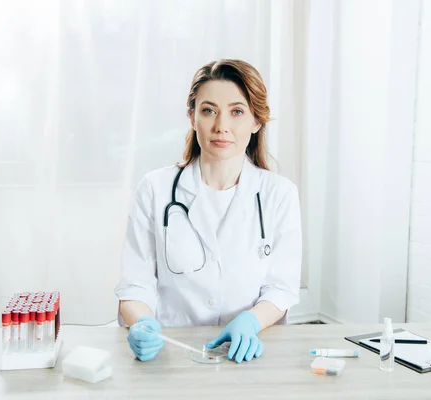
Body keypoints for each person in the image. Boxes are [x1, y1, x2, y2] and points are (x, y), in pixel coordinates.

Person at [114, 59, 302, 364]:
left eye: (237, 112)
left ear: (256, 121)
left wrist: (251, 321)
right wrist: (143, 323)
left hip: (247, 354)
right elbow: (136, 284)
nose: (221, 126)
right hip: (171, 351)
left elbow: (280, 288)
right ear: (192, 117)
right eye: (208, 110)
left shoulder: (279, 194)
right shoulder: (155, 188)